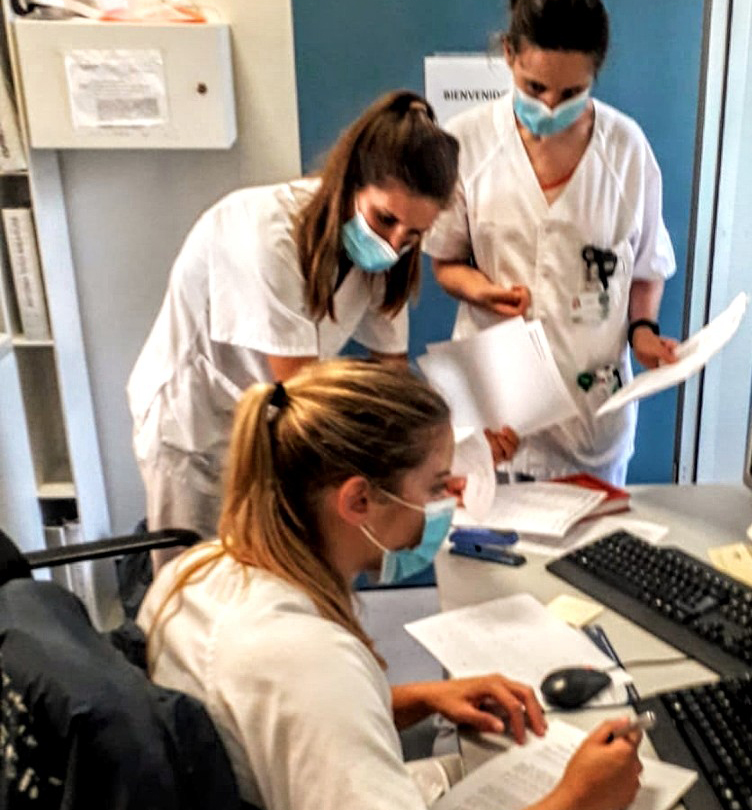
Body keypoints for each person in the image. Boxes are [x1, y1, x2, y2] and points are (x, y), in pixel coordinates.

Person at [137, 360, 643, 810]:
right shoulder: (312, 662)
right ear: (358, 501)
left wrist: (422, 696)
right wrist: (578, 800)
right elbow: (314, 696)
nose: (452, 497)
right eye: (438, 485)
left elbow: (274, 722)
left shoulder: (196, 569)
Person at [128, 90, 516, 558]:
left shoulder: (382, 258)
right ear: (352, 180)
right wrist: (418, 472)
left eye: (413, 234)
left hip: (270, 424)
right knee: (193, 583)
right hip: (193, 431)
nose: (394, 243)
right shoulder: (266, 236)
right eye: (385, 218)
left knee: (264, 576)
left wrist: (454, 451)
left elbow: (391, 380)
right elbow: (307, 395)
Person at [424, 0, 679, 486]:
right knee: (485, 556)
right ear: (508, 55)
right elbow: (447, 262)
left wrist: (643, 331)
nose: (549, 106)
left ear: (595, 77)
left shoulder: (626, 150)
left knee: (588, 558)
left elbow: (646, 267)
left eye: (571, 92)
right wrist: (483, 292)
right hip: (495, 409)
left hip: (590, 417)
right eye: (534, 87)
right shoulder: (467, 143)